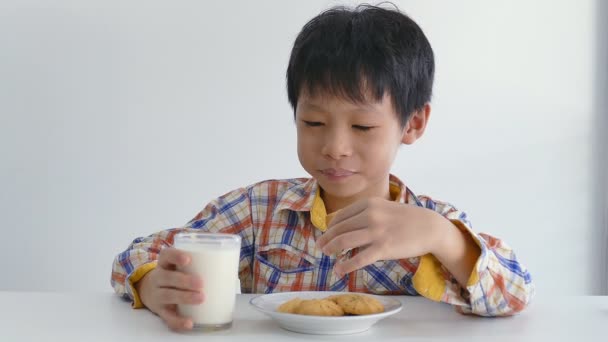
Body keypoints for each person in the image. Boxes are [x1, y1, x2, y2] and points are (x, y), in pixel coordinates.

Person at [111, 3, 534, 330]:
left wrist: (445, 239)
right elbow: (138, 253)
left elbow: (515, 294)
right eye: (313, 122)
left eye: (363, 126)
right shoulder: (259, 211)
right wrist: (152, 283)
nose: (334, 147)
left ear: (414, 123)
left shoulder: (430, 224)